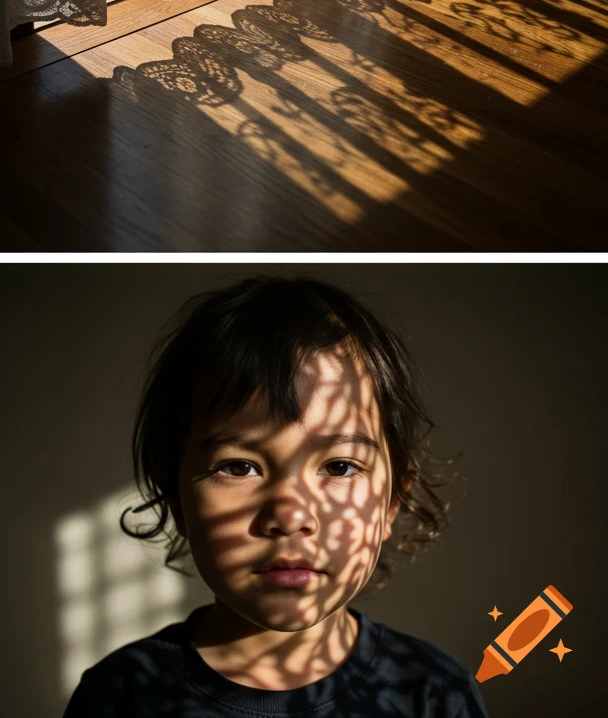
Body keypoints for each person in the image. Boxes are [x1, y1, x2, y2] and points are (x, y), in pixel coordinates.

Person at [64, 277, 489, 718]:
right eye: (239, 467)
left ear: (391, 503)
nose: (290, 515)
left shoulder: (435, 694)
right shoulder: (121, 696)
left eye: (339, 467)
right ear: (174, 495)